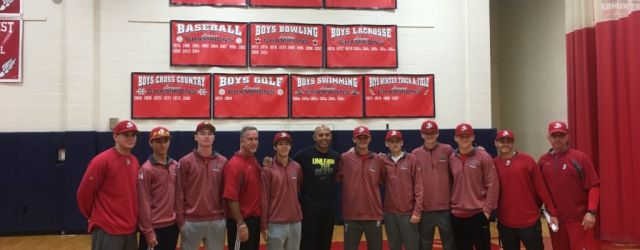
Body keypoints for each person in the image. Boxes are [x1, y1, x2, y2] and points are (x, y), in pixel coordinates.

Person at [77, 120, 140, 250]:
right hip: (107, 229)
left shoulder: (134, 161)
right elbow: (83, 194)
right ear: (115, 137)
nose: (131, 138)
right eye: (126, 134)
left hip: (130, 229)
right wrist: (97, 216)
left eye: (133, 135)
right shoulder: (101, 161)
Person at [538, 121, 601, 250]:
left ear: (567, 136)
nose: (557, 139)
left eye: (561, 135)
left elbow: (593, 186)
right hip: (556, 221)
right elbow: (540, 191)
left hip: (580, 220)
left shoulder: (580, 158)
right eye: (554, 136)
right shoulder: (543, 161)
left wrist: (591, 212)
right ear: (548, 138)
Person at [494, 129, 559, 250]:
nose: (505, 144)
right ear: (496, 143)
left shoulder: (527, 161)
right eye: (502, 141)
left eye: (509, 141)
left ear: (513, 143)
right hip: (505, 222)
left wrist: (553, 212)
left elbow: (542, 189)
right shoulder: (493, 164)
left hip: (529, 221)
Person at [175, 122, 228, 250]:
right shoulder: (185, 162)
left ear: (214, 138)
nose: (206, 136)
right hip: (191, 222)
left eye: (210, 134)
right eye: (202, 133)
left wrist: (224, 218)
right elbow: (179, 192)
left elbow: (226, 192)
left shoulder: (223, 162)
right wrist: (181, 222)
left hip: (216, 222)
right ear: (195, 137)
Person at [449, 123, 499, 250]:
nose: (464, 138)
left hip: (478, 214)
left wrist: (487, 210)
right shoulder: (452, 158)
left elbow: (493, 184)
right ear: (455, 138)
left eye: (467, 135)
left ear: (473, 137)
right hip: (457, 215)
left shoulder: (484, 157)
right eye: (461, 136)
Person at [336, 125, 385, 250]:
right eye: (359, 137)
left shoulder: (379, 159)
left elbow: (386, 181)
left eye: (365, 137)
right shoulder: (345, 158)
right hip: (351, 215)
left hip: (374, 214)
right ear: (354, 139)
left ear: (370, 139)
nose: (362, 140)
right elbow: (335, 177)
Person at [294, 125, 340, 250]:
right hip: (309, 210)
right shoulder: (302, 155)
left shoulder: (336, 156)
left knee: (325, 245)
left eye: (327, 134)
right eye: (320, 135)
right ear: (314, 137)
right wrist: (270, 160)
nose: (324, 138)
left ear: (331, 137)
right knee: (308, 245)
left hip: (328, 210)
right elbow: (286, 165)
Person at [411, 120, 456, 250]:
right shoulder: (415, 154)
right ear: (421, 134)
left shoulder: (447, 149)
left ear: (437, 133)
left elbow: (459, 160)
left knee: (449, 243)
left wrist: (477, 149)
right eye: (426, 133)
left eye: (432, 132)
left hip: (445, 208)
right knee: (425, 243)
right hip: (425, 209)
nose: (429, 135)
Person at [137, 127, 179, 250]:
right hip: (154, 227)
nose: (163, 144)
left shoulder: (175, 166)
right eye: (158, 141)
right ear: (151, 143)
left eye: (166, 140)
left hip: (172, 226)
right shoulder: (146, 169)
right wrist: (148, 231)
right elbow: (143, 202)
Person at [261, 132, 303, 250]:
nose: (284, 147)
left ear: (291, 146)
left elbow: (298, 190)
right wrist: (264, 225)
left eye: (287, 144)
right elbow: (264, 198)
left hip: (296, 222)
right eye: (280, 144)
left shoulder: (297, 167)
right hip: (275, 223)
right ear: (275, 147)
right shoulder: (267, 169)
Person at [381, 130, 423, 250]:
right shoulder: (382, 161)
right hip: (389, 214)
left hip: (408, 213)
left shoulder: (412, 159)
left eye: (397, 141)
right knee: (394, 246)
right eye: (391, 141)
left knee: (412, 246)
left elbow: (419, 187)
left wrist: (417, 211)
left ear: (402, 142)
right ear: (386, 143)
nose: (395, 144)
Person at [224, 126, 262, 250]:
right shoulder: (234, 165)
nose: (254, 142)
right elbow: (231, 198)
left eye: (256, 139)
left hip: (254, 221)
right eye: (250, 139)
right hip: (241, 222)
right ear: (242, 141)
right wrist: (240, 224)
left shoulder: (253, 160)